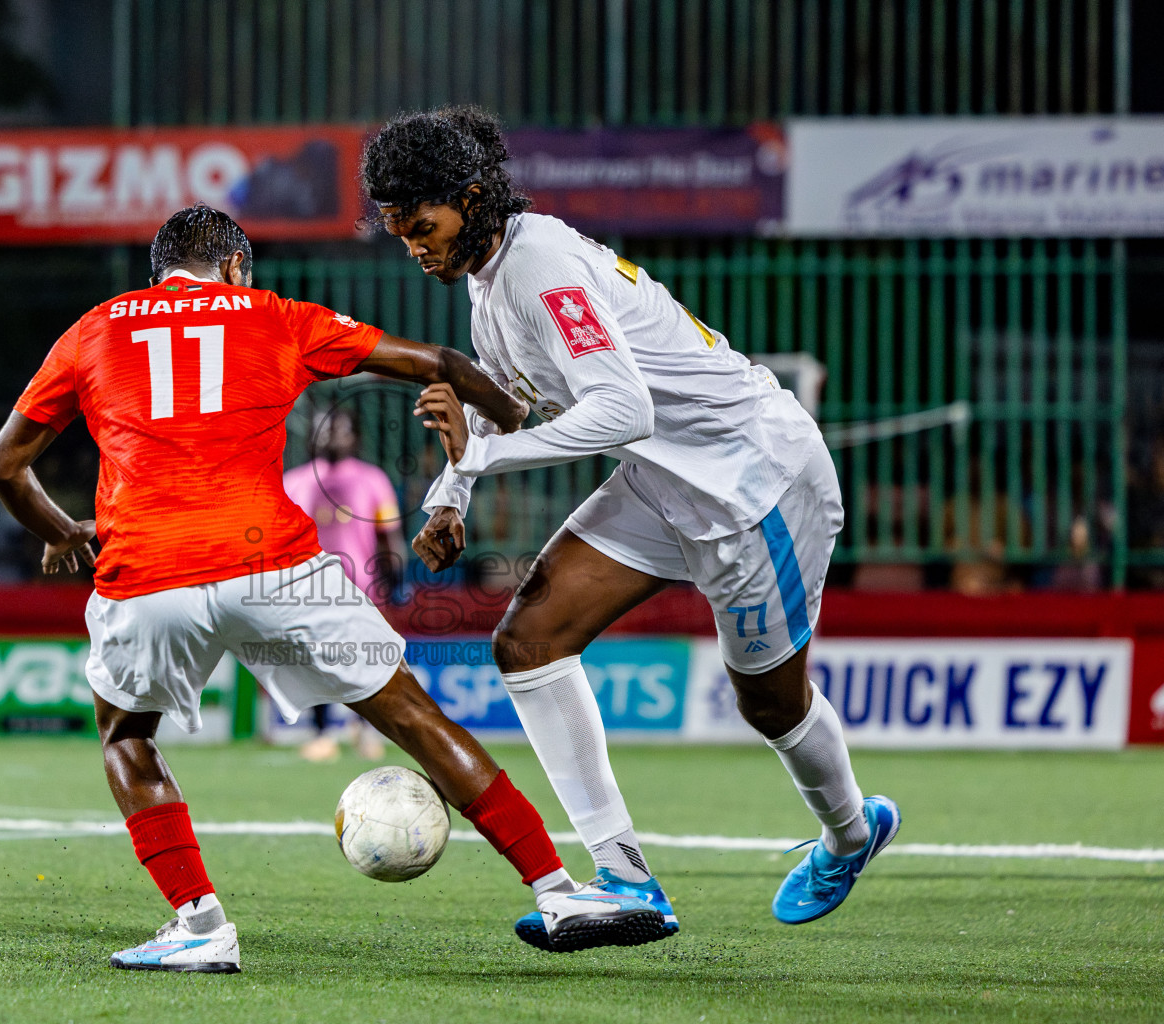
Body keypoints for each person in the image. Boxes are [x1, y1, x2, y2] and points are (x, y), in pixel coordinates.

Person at [0, 204, 665, 973]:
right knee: (408, 712)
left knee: (127, 737)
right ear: (237, 268)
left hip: (147, 573)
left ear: (157, 275)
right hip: (275, 566)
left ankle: (200, 923)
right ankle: (558, 887)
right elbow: (437, 360)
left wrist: (61, 533)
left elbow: (3, 469)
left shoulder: (93, 329)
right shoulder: (275, 314)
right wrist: (506, 413)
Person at [361, 107, 900, 946]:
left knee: (770, 703)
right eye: (398, 233)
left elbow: (623, 408)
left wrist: (480, 465)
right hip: (662, 482)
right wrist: (451, 495)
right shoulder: (488, 282)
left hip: (756, 483)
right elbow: (508, 417)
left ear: (472, 198)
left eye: (423, 225)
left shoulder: (540, 265)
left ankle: (850, 834)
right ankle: (626, 880)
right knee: (528, 641)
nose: (414, 247)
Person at [283, 407, 403, 761]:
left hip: (361, 587)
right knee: (314, 662)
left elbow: (389, 537)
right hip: (308, 588)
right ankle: (322, 733)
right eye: (323, 429)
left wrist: (395, 583)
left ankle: (364, 729)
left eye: (340, 429)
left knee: (364, 660)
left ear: (355, 437)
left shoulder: (372, 479)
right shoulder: (292, 481)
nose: (331, 435)